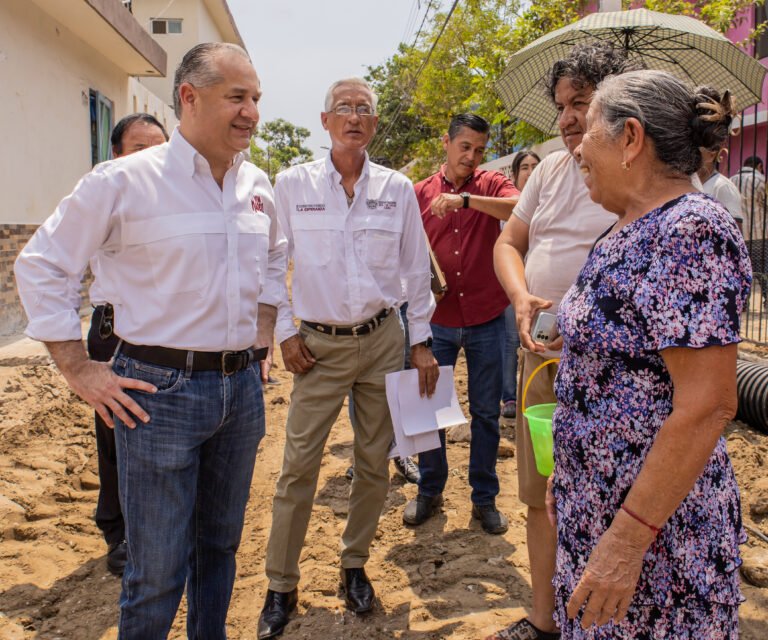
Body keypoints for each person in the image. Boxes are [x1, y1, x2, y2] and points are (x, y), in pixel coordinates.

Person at [15, 42, 286, 638]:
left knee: (218, 549)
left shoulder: (258, 183)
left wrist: (262, 335)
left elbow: (273, 259)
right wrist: (81, 369)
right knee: (158, 568)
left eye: (256, 98)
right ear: (189, 97)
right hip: (158, 395)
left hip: (240, 391)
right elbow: (41, 265)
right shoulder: (124, 180)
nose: (252, 113)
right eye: (237, 97)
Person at [547, 69, 750, 638]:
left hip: (654, 537)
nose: (577, 145)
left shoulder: (690, 230)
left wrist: (627, 540)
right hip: (598, 509)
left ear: (631, 138)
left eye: (588, 128)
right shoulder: (621, 229)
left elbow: (707, 404)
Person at [257, 77, 438, 640]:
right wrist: (285, 333)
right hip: (317, 346)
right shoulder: (292, 185)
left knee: (373, 462)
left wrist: (421, 340)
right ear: (325, 120)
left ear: (374, 125)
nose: (354, 117)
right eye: (344, 109)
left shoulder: (396, 188)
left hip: (383, 339)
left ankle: (354, 565)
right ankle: (280, 584)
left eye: (364, 110)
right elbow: (270, 263)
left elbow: (415, 271)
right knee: (298, 467)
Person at [490, 42, 638, 640]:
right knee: (539, 495)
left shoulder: (638, 174)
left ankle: (607, 621)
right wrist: (522, 298)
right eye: (562, 106)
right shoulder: (550, 169)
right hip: (541, 360)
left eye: (581, 102)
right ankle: (546, 619)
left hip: (610, 370)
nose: (569, 118)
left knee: (608, 497)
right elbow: (508, 243)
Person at [403, 113, 519, 535]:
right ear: (446, 143)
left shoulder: (490, 186)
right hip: (436, 323)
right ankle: (430, 490)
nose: (471, 157)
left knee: (486, 413)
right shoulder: (417, 194)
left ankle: (483, 498)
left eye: (479, 150)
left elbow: (522, 207)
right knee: (428, 412)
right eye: (464, 147)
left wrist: (466, 201)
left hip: (487, 317)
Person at [86, 113, 169, 577]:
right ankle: (117, 532)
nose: (152, 156)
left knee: (158, 431)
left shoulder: (176, 193)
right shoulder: (105, 188)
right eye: (140, 148)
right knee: (116, 433)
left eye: (160, 146)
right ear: (116, 154)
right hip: (114, 332)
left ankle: (153, 526)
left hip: (164, 333)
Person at [501, 150, 540, 421]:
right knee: (510, 342)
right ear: (514, 176)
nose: (530, 171)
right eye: (524, 167)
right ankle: (510, 397)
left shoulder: (553, 204)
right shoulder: (507, 209)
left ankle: (538, 396)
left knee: (539, 342)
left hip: (542, 291)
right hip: (512, 291)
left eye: (535, 166)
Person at [694, 95, 743, 229]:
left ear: (711, 154)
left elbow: (735, 237)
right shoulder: (692, 183)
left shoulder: (722, 187)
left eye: (695, 149)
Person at [731, 155, 767, 298]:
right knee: (762, 269)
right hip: (759, 234)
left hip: (739, 234)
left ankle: (743, 301)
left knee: (741, 269)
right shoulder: (760, 180)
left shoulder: (731, 180)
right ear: (759, 166)